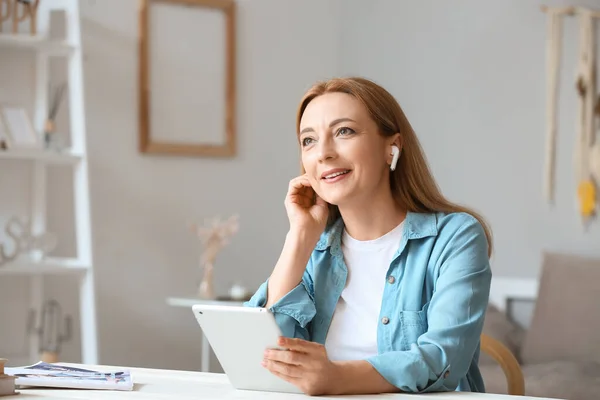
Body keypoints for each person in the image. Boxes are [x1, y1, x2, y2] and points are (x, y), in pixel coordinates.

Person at [244, 77, 492, 396]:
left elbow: (443, 361)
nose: (324, 153)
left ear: (392, 147)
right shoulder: (315, 249)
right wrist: (300, 237)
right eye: (309, 140)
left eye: (344, 131)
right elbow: (259, 356)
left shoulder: (456, 237)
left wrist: (336, 378)